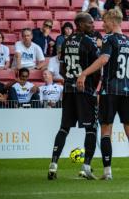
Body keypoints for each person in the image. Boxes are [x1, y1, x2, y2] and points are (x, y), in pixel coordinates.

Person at [76, 9, 129, 180]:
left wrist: (84, 73)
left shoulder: (110, 40)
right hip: (127, 92)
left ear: (113, 21)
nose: (102, 24)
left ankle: (107, 172)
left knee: (106, 130)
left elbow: (103, 60)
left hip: (109, 91)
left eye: (105, 21)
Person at [47, 13, 100, 180]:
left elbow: (62, 69)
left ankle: (53, 165)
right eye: (90, 23)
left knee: (64, 128)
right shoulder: (89, 42)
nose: (93, 25)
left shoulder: (67, 41)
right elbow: (97, 68)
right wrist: (93, 87)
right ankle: (86, 167)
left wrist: (71, 79)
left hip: (69, 90)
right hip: (84, 91)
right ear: (80, 24)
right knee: (91, 128)